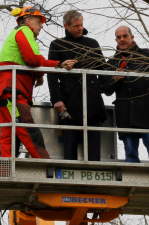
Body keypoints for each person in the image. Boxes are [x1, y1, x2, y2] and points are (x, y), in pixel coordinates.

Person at [0, 5, 76, 158]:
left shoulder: (19, 34)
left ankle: (6, 168)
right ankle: (45, 166)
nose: (42, 25)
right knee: (28, 129)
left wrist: (38, 74)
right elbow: (32, 59)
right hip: (12, 93)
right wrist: (57, 64)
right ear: (28, 21)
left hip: (5, 92)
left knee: (8, 134)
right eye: (39, 21)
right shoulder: (24, 31)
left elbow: (29, 60)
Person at [102, 26, 149, 164]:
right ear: (115, 39)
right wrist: (114, 79)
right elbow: (105, 89)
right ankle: (132, 174)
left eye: (125, 36)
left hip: (146, 109)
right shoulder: (111, 62)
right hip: (125, 111)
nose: (122, 40)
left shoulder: (147, 54)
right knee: (130, 150)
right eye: (119, 37)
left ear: (131, 37)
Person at [47, 10, 107, 161]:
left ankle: (95, 180)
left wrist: (104, 86)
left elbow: (103, 70)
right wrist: (57, 100)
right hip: (69, 102)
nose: (80, 28)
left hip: (93, 102)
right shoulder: (57, 44)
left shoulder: (92, 44)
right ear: (66, 26)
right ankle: (69, 180)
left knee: (94, 150)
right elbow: (52, 74)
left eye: (81, 25)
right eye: (76, 26)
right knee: (69, 150)